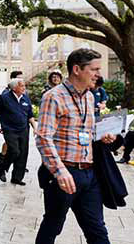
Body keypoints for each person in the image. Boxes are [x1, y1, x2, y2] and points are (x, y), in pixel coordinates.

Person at [35, 48, 118, 244]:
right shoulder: (53, 97)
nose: (99, 74)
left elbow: (85, 130)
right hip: (64, 174)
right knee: (53, 225)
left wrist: (100, 136)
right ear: (77, 69)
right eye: (94, 69)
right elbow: (43, 138)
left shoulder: (89, 97)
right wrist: (60, 172)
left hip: (89, 174)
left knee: (97, 231)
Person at [0, 78, 36, 186]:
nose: (24, 88)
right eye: (22, 86)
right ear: (14, 88)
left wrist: (35, 127)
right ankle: (2, 168)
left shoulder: (25, 98)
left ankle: (17, 177)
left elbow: (30, 115)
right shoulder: (4, 98)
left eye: (24, 86)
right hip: (9, 129)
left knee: (23, 153)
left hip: (24, 129)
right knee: (14, 151)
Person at [0, 70, 24, 174]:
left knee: (17, 148)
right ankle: (3, 157)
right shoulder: (6, 93)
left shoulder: (23, 92)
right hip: (9, 127)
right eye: (19, 78)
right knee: (12, 147)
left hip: (21, 126)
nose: (21, 80)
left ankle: (17, 165)